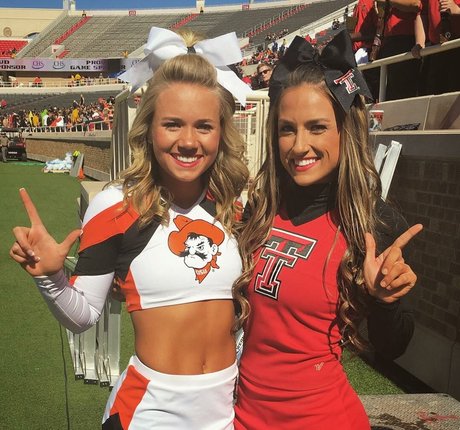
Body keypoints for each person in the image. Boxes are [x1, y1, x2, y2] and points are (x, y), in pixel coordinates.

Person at [10, 27, 250, 429]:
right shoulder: (115, 206)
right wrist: (50, 276)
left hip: (229, 410)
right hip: (150, 412)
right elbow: (83, 315)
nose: (188, 141)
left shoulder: (234, 205)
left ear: (221, 132)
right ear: (149, 129)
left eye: (204, 126)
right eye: (172, 124)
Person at [233, 31, 422, 429]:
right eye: (287, 129)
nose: (299, 146)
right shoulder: (261, 208)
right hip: (243, 415)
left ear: (344, 130)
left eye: (317, 127)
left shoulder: (373, 222)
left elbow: (394, 347)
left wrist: (384, 301)